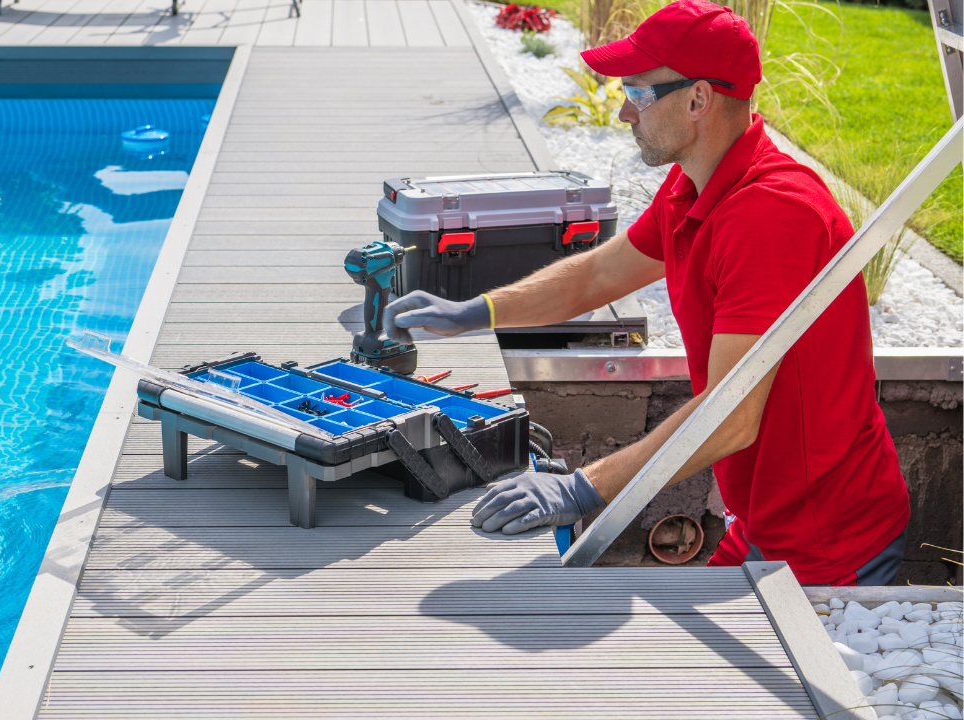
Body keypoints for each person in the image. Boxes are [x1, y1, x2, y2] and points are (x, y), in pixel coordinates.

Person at [382, 0, 911, 586]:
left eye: (637, 93)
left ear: (697, 100)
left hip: (828, 544)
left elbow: (732, 417)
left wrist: (581, 489)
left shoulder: (771, 217)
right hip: (761, 521)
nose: (623, 115)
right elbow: (595, 277)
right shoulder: (696, 186)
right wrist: (474, 313)